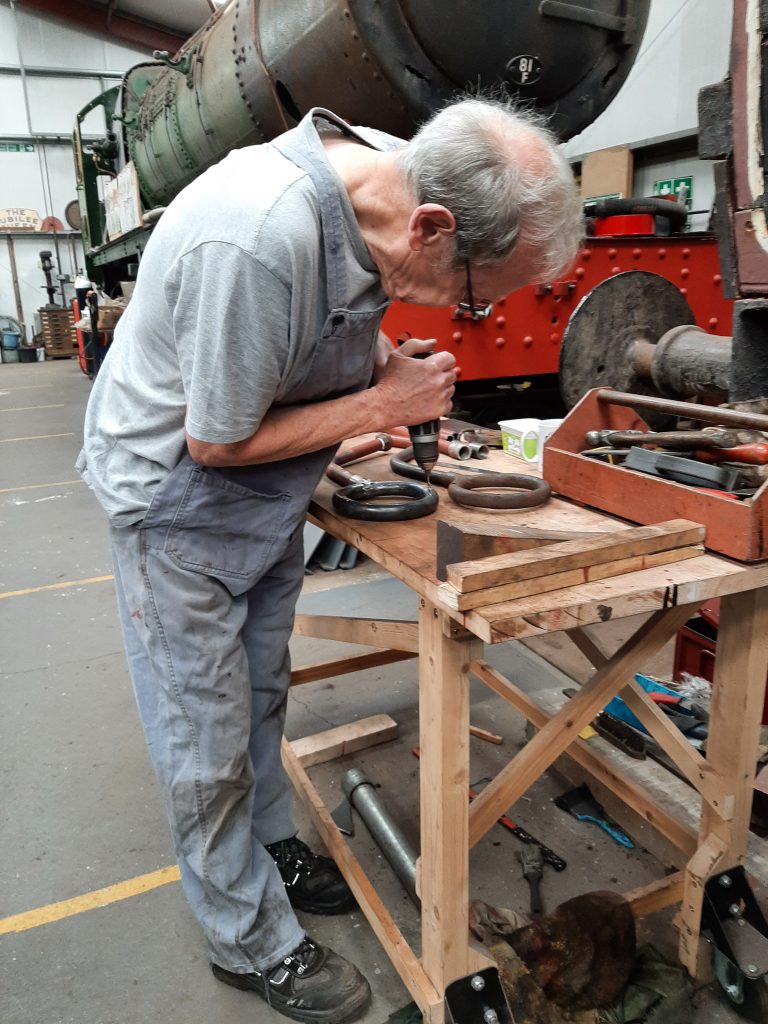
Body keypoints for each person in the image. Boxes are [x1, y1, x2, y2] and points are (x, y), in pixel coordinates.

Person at [76, 95, 582, 1023]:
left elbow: (355, 302)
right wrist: (383, 407)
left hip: (264, 498)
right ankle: (245, 939)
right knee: (205, 740)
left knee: (260, 695)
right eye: (474, 290)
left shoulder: (402, 173)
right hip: (176, 503)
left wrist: (385, 374)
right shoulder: (257, 237)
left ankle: (269, 849)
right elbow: (217, 442)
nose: (470, 313)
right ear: (433, 227)